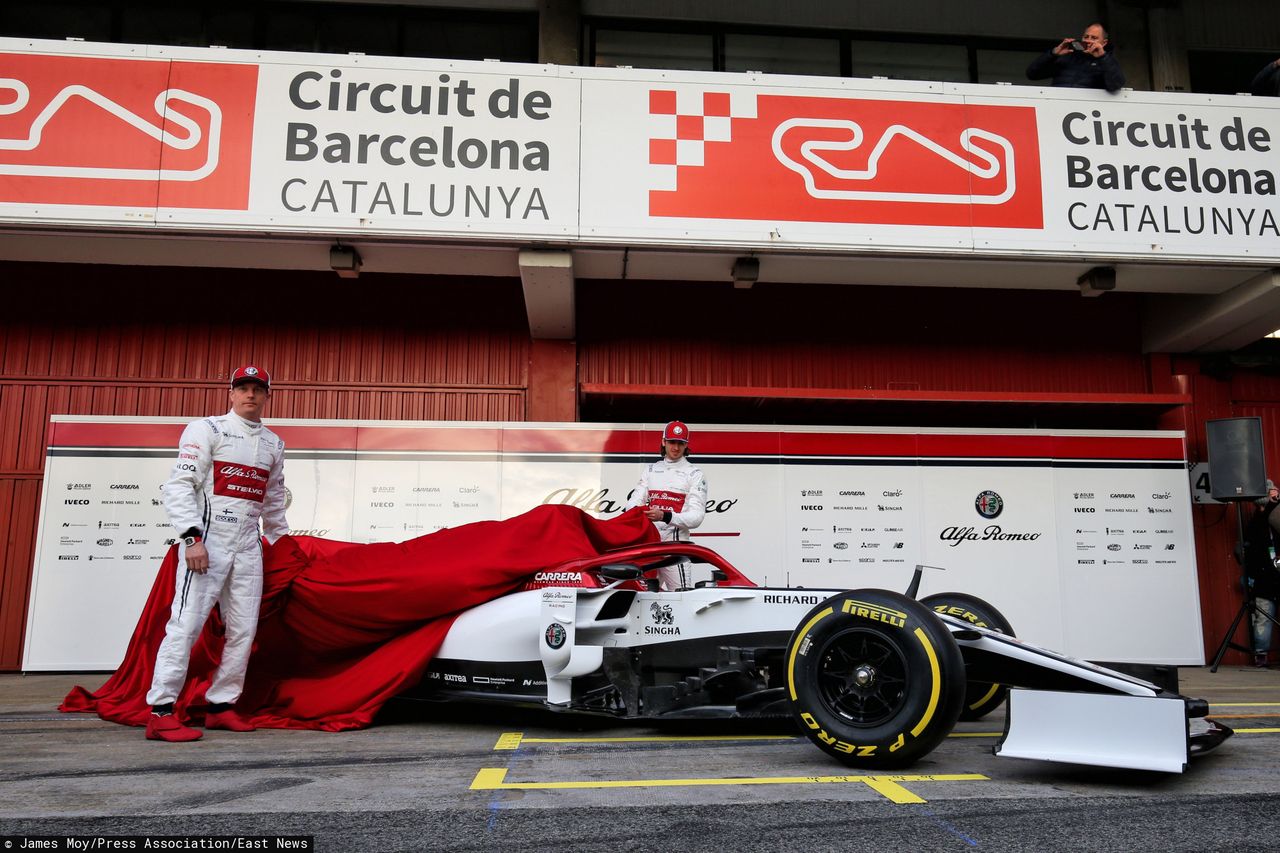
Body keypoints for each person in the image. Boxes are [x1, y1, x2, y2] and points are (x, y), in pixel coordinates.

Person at [144, 365, 289, 741]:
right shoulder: (206, 429)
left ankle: (222, 706)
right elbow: (179, 486)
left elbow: (273, 500)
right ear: (231, 393)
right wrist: (191, 538)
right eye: (243, 388)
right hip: (208, 541)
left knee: (243, 629)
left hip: (248, 545)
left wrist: (282, 541)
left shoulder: (274, 443)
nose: (250, 395)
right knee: (186, 624)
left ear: (267, 395)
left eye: (257, 389)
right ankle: (160, 711)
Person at [625, 420, 707, 590]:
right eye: (671, 442)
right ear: (663, 442)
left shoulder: (695, 474)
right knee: (641, 598)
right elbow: (632, 504)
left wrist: (665, 515)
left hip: (675, 549)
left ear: (686, 445)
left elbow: (696, 518)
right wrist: (641, 512)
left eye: (680, 443)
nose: (675, 447)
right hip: (650, 548)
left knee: (681, 599)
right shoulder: (651, 470)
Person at [1243, 480, 1280, 667]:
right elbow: (1260, 523)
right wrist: (1271, 502)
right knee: (1263, 618)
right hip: (1264, 579)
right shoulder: (1255, 523)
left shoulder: (1277, 516)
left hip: (1275, 575)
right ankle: (1261, 655)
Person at [1026, 22, 1125, 92]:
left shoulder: (1107, 61)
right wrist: (1053, 53)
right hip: (1057, 105)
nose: (1088, 41)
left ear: (1104, 43)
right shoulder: (1068, 56)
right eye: (1086, 37)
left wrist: (1102, 57)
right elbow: (1032, 74)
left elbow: (1115, 86)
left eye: (1094, 38)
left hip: (1087, 113)